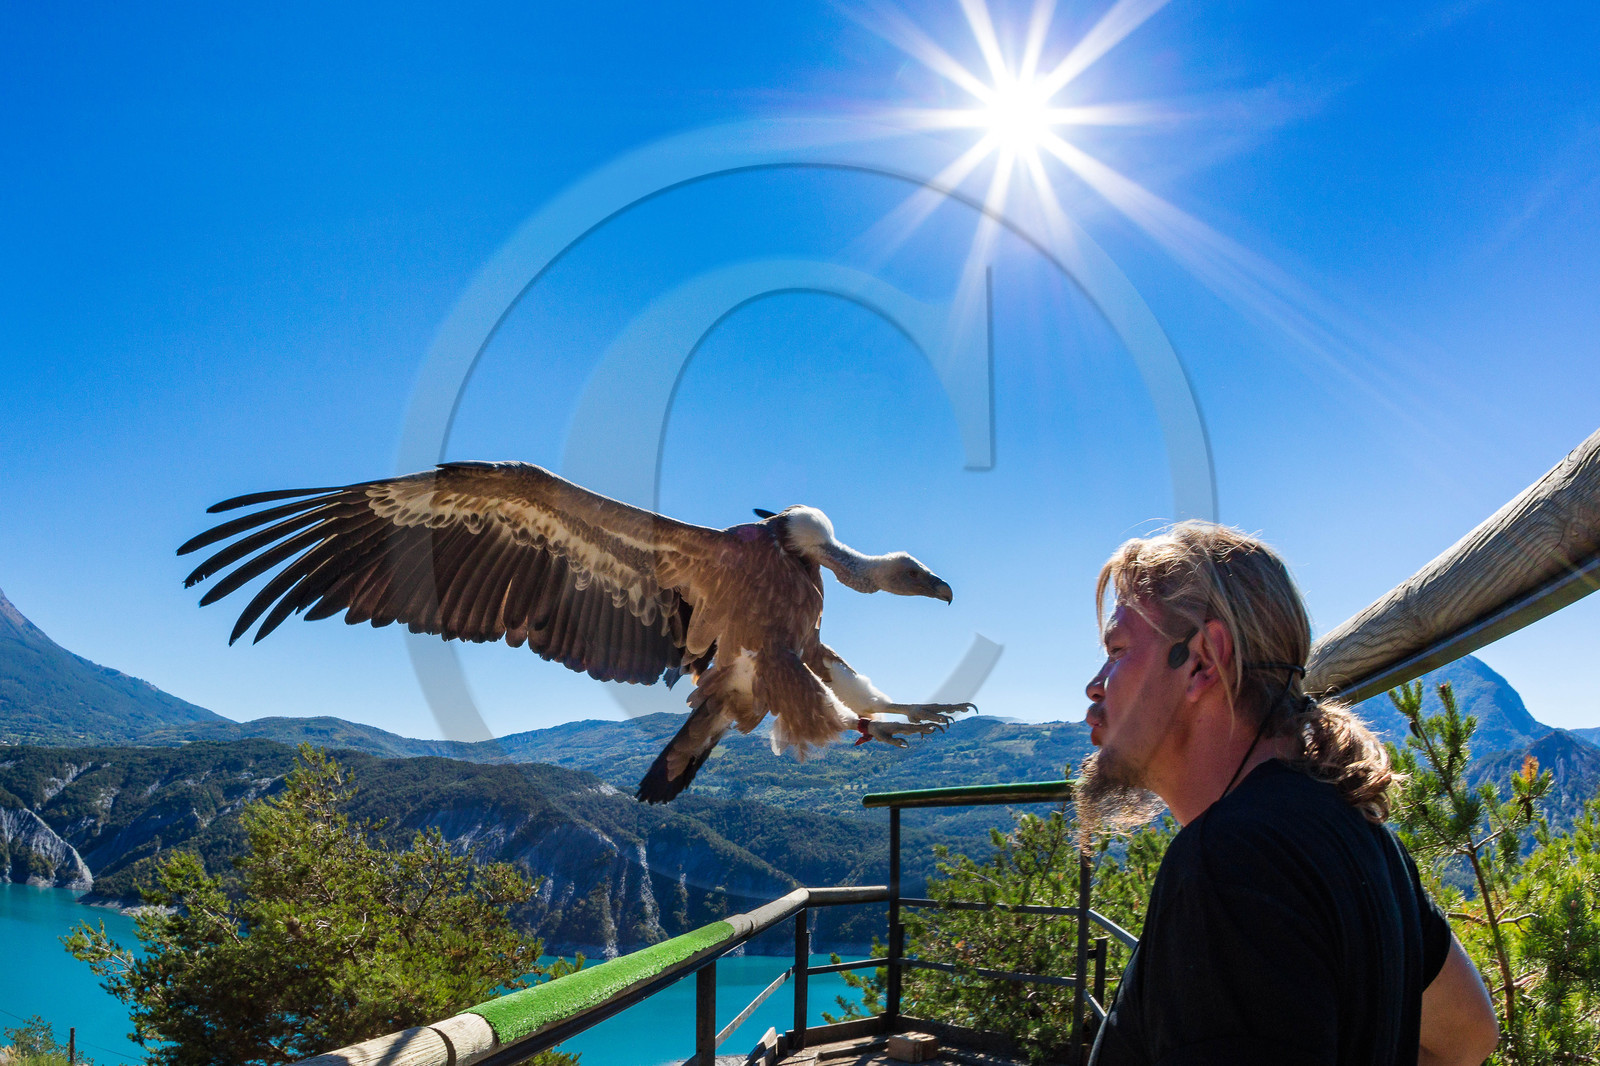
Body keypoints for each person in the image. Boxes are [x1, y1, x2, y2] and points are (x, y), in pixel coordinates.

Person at [1079, 522, 1499, 1066]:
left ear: (1202, 660)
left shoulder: (1228, 862)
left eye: (1117, 651)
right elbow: (1468, 1037)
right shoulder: (1366, 840)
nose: (1095, 684)